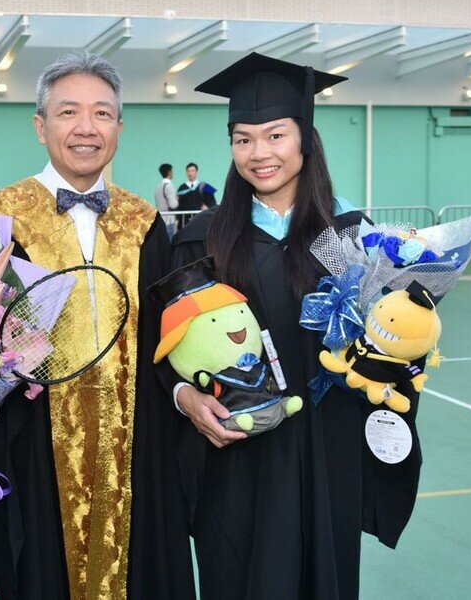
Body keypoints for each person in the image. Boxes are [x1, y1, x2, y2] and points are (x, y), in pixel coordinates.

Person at [170, 53, 421, 599]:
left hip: (327, 450)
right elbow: (165, 345)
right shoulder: (204, 239)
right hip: (239, 454)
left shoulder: (354, 234)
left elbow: (389, 343)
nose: (259, 153)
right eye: (243, 138)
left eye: (275, 135)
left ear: (305, 138)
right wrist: (185, 397)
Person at [0, 52, 194, 600]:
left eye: (101, 114)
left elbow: (169, 338)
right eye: (69, 112)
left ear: (119, 127)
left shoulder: (143, 221)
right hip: (35, 443)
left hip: (137, 439)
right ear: (40, 125)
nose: (86, 128)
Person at [175, 162, 216, 230]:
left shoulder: (204, 186)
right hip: (185, 220)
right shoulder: (182, 188)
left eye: (192, 171)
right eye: (188, 171)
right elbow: (178, 205)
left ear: (196, 172)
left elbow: (212, 201)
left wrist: (208, 207)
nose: (190, 173)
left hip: (201, 219)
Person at [154, 163, 178, 238]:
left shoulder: (158, 186)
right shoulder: (169, 185)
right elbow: (173, 205)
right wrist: (177, 199)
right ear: (169, 172)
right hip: (169, 219)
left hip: (161, 217)